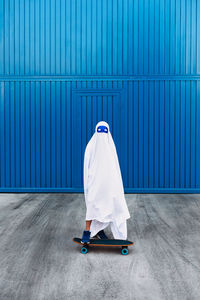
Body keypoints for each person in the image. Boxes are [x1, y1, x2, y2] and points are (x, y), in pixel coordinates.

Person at [81, 121, 130, 244]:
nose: (102, 133)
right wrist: (88, 183)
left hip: (110, 184)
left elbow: (115, 168)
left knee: (116, 207)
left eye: (104, 131)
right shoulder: (91, 146)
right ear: (96, 131)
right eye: (100, 131)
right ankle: (88, 232)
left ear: (108, 132)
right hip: (95, 183)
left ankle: (120, 236)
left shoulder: (110, 147)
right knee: (92, 206)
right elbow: (86, 166)